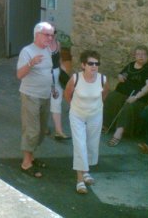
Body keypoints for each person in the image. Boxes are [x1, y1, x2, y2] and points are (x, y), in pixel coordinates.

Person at [64, 50, 109, 194]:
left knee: (91, 144)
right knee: (80, 144)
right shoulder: (76, 78)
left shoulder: (103, 79)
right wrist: (75, 107)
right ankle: (79, 179)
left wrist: (95, 107)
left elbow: (104, 94)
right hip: (77, 115)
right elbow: (67, 94)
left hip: (95, 115)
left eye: (97, 63)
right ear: (83, 65)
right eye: (90, 63)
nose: (94, 66)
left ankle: (86, 171)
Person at [16, 22, 55, 178]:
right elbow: (19, 75)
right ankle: (26, 163)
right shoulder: (27, 51)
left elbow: (48, 71)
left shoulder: (47, 50)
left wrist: (53, 88)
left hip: (45, 95)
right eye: (47, 34)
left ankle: (31, 156)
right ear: (37, 34)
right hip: (30, 95)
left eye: (52, 35)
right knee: (32, 130)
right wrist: (31, 63)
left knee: (41, 130)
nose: (50, 38)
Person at [104, 46, 148, 146]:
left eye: (143, 54)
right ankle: (107, 125)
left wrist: (135, 97)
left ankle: (118, 133)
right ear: (135, 56)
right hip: (123, 93)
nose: (141, 56)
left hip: (140, 98)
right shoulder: (131, 65)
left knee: (128, 106)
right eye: (138, 54)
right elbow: (122, 74)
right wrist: (120, 76)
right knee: (111, 97)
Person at [49, 27, 71, 140]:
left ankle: (59, 131)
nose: (52, 35)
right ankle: (41, 127)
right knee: (41, 104)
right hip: (45, 80)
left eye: (54, 33)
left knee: (56, 103)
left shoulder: (57, 44)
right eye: (49, 33)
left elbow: (59, 60)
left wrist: (64, 70)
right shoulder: (43, 46)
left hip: (56, 78)